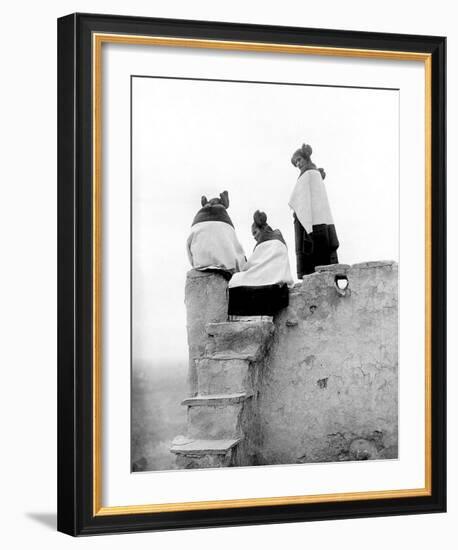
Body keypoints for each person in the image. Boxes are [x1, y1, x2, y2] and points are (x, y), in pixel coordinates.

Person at [228, 210, 293, 317]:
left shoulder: (263, 243)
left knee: (235, 280)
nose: (254, 237)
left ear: (261, 229)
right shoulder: (279, 239)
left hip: (268, 281)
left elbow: (250, 266)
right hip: (279, 282)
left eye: (255, 232)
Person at [289, 144, 339, 278]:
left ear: (306, 157)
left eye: (299, 160)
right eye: (296, 162)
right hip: (323, 225)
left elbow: (298, 201)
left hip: (312, 226)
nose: (298, 164)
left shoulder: (307, 174)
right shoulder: (316, 173)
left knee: (313, 267)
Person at [187, 190, 246, 278]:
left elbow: (189, 248)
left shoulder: (197, 226)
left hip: (199, 268)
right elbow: (239, 253)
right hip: (227, 272)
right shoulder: (226, 227)